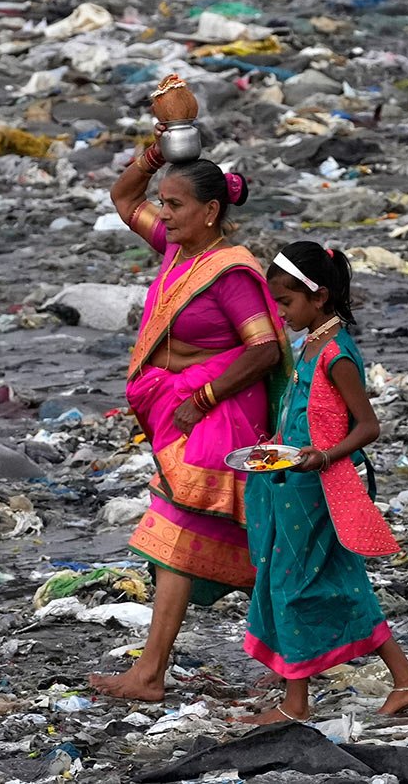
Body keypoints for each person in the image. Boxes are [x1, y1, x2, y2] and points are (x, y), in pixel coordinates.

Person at [89, 129, 287, 703]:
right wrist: (156, 154)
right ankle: (161, 672)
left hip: (219, 412)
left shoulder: (229, 272)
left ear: (211, 211)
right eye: (165, 204)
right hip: (186, 408)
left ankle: (157, 673)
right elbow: (125, 199)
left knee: (191, 526)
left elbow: (264, 350)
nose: (164, 213)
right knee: (226, 537)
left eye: (175, 205)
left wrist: (199, 399)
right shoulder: (178, 250)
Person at [239, 240, 408, 724]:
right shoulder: (311, 345)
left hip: (320, 489)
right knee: (339, 583)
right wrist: (278, 444)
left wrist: (322, 455)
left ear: (318, 296)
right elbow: (302, 414)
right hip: (294, 483)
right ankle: (407, 681)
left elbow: (367, 427)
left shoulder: (337, 354)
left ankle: (295, 703)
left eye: (286, 303)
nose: (280, 314)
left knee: (292, 586)